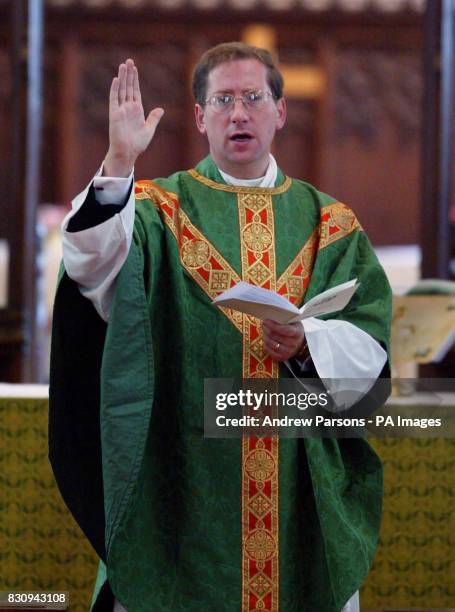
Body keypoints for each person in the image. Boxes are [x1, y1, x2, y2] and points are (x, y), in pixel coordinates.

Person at [49, 42, 392, 612]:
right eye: (223, 100)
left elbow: (372, 349)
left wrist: (311, 344)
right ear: (201, 114)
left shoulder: (330, 223)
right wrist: (118, 166)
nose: (239, 113)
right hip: (182, 478)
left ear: (280, 111)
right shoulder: (159, 211)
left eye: (254, 97)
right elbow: (90, 268)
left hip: (296, 490)